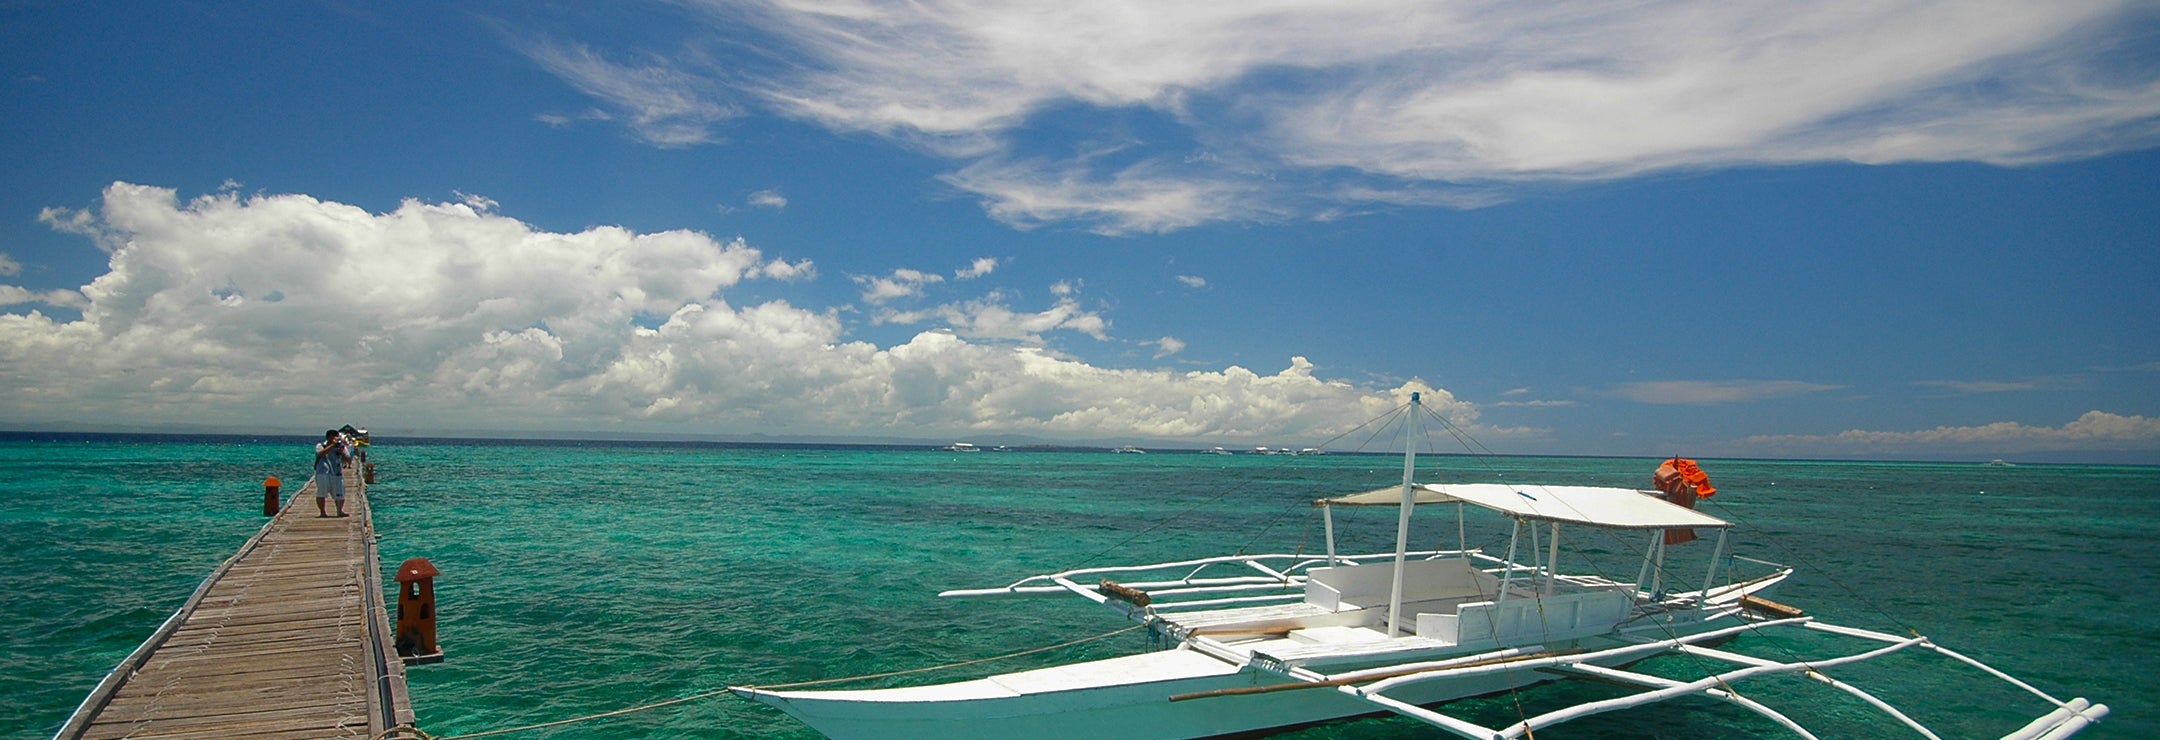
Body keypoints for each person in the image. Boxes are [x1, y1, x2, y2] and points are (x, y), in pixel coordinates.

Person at [314, 429, 352, 517]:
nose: (334, 440)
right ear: (328, 438)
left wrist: (341, 451)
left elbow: (348, 458)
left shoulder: (340, 446)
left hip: (336, 472)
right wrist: (332, 445)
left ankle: (340, 511)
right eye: (332, 438)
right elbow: (321, 454)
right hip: (323, 472)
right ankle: (322, 512)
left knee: (340, 493)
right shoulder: (321, 445)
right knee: (322, 493)